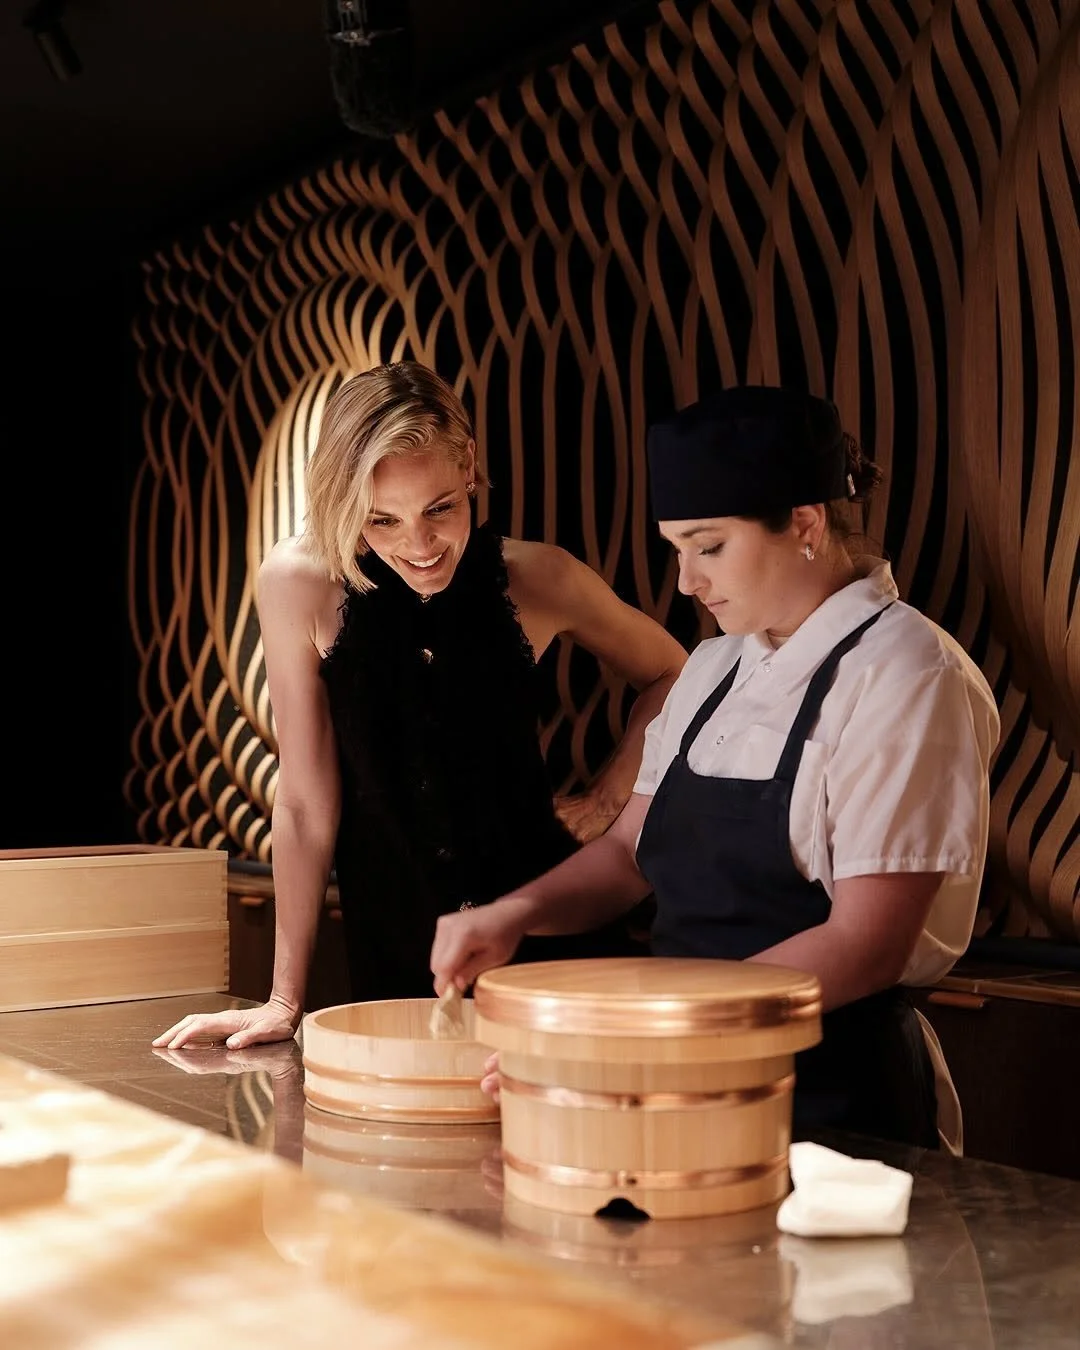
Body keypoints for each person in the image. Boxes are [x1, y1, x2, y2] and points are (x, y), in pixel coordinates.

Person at [430, 385, 1001, 1150]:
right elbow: (630, 852)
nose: (686, 584)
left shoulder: (907, 675)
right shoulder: (713, 668)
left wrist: (635, 1037)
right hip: (677, 1084)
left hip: (830, 1101)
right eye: (676, 550)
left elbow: (867, 945)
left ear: (805, 523)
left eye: (709, 547)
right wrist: (514, 913)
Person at [154, 362, 687, 1051]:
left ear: (468, 467)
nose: (421, 545)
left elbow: (677, 672)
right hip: (398, 943)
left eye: (439, 508)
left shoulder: (539, 577)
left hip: (554, 938)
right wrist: (284, 999)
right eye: (382, 520)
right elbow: (305, 804)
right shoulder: (299, 584)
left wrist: (610, 797)